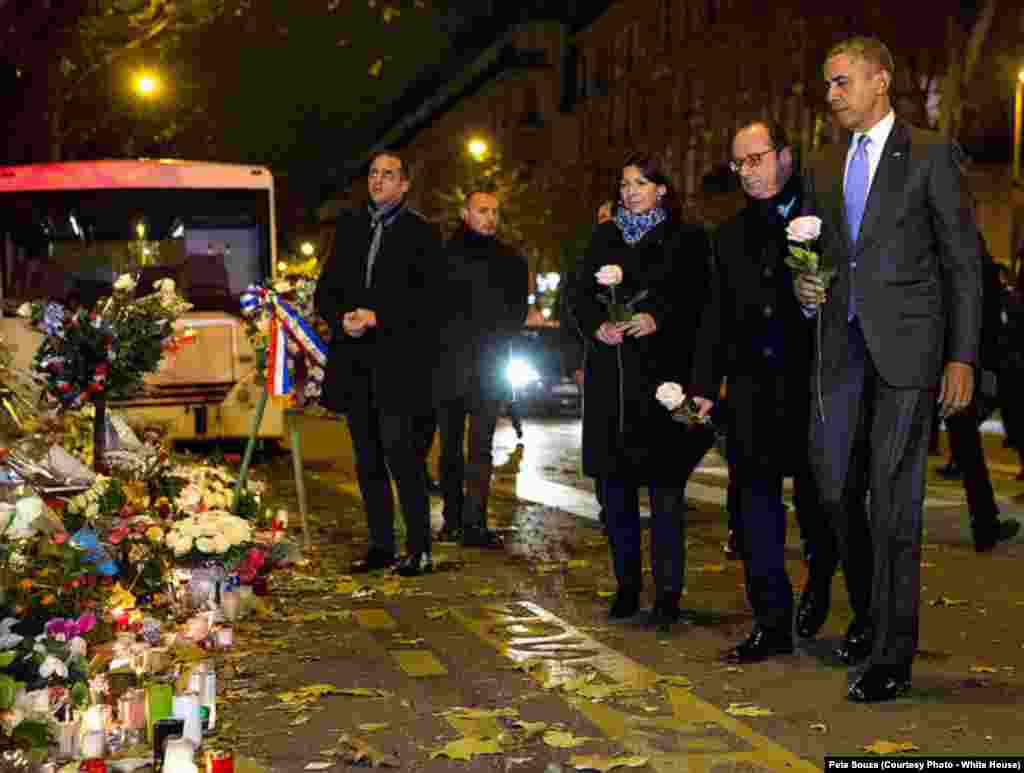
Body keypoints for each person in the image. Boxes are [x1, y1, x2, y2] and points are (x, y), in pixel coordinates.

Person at [794, 37, 983, 702]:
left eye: (841, 82)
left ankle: (891, 654)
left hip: (909, 351)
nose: (832, 95)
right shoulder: (822, 163)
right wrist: (806, 285)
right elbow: (816, 252)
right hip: (839, 351)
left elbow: (963, 262)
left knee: (893, 495)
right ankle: (869, 609)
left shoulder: (929, 153)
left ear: (880, 80)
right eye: (828, 84)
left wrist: (962, 356)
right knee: (831, 480)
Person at [688, 119, 857, 662]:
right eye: (739, 164)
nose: (747, 172)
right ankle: (771, 621)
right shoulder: (731, 233)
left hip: (815, 387)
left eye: (756, 159)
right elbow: (713, 314)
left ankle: (841, 599)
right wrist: (705, 384)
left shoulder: (828, 214)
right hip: (751, 392)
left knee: (827, 505)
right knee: (756, 509)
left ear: (785, 155)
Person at [568, 151, 713, 631]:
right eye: (625, 183)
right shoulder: (603, 237)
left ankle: (669, 592)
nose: (630, 192)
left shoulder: (687, 238)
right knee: (615, 493)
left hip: (662, 381)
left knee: (666, 491)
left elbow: (700, 301)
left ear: (662, 189)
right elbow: (577, 296)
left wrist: (658, 319)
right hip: (612, 380)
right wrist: (596, 328)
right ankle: (627, 585)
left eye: (641, 183)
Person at [314, 150, 442, 577]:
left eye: (388, 175)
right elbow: (326, 289)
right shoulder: (350, 227)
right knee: (366, 459)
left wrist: (379, 316)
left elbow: (430, 301)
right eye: (373, 174)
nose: (379, 181)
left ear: (404, 184)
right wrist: (341, 318)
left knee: (402, 457)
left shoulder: (421, 232)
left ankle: (419, 547)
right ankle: (381, 545)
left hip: (400, 364)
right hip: (356, 362)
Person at [433, 191, 528, 548]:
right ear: (465, 213)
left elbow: (516, 314)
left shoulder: (511, 260)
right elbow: (430, 313)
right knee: (450, 450)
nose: (490, 217)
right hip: (448, 366)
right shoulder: (442, 257)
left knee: (481, 448)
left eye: (494, 212)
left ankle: (474, 523)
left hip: (488, 366)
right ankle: (452, 519)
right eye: (482, 211)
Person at [942, 240, 1020, 550]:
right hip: (961, 356)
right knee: (968, 447)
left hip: (930, 351)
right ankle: (985, 523)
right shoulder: (967, 241)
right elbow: (983, 303)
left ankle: (985, 521)